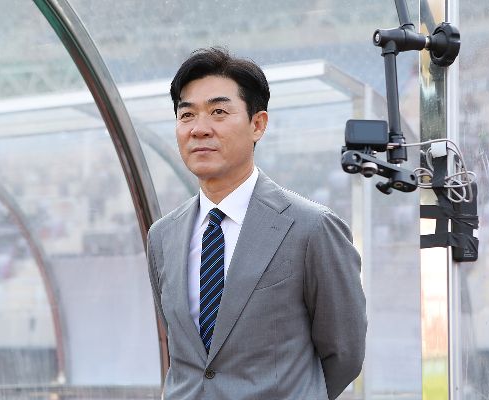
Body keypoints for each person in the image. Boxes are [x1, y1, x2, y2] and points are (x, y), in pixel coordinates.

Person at [146, 47, 367, 400]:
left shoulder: (311, 228)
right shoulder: (162, 236)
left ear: (258, 124)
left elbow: (345, 353)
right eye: (186, 115)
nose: (199, 129)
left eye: (218, 112)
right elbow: (183, 354)